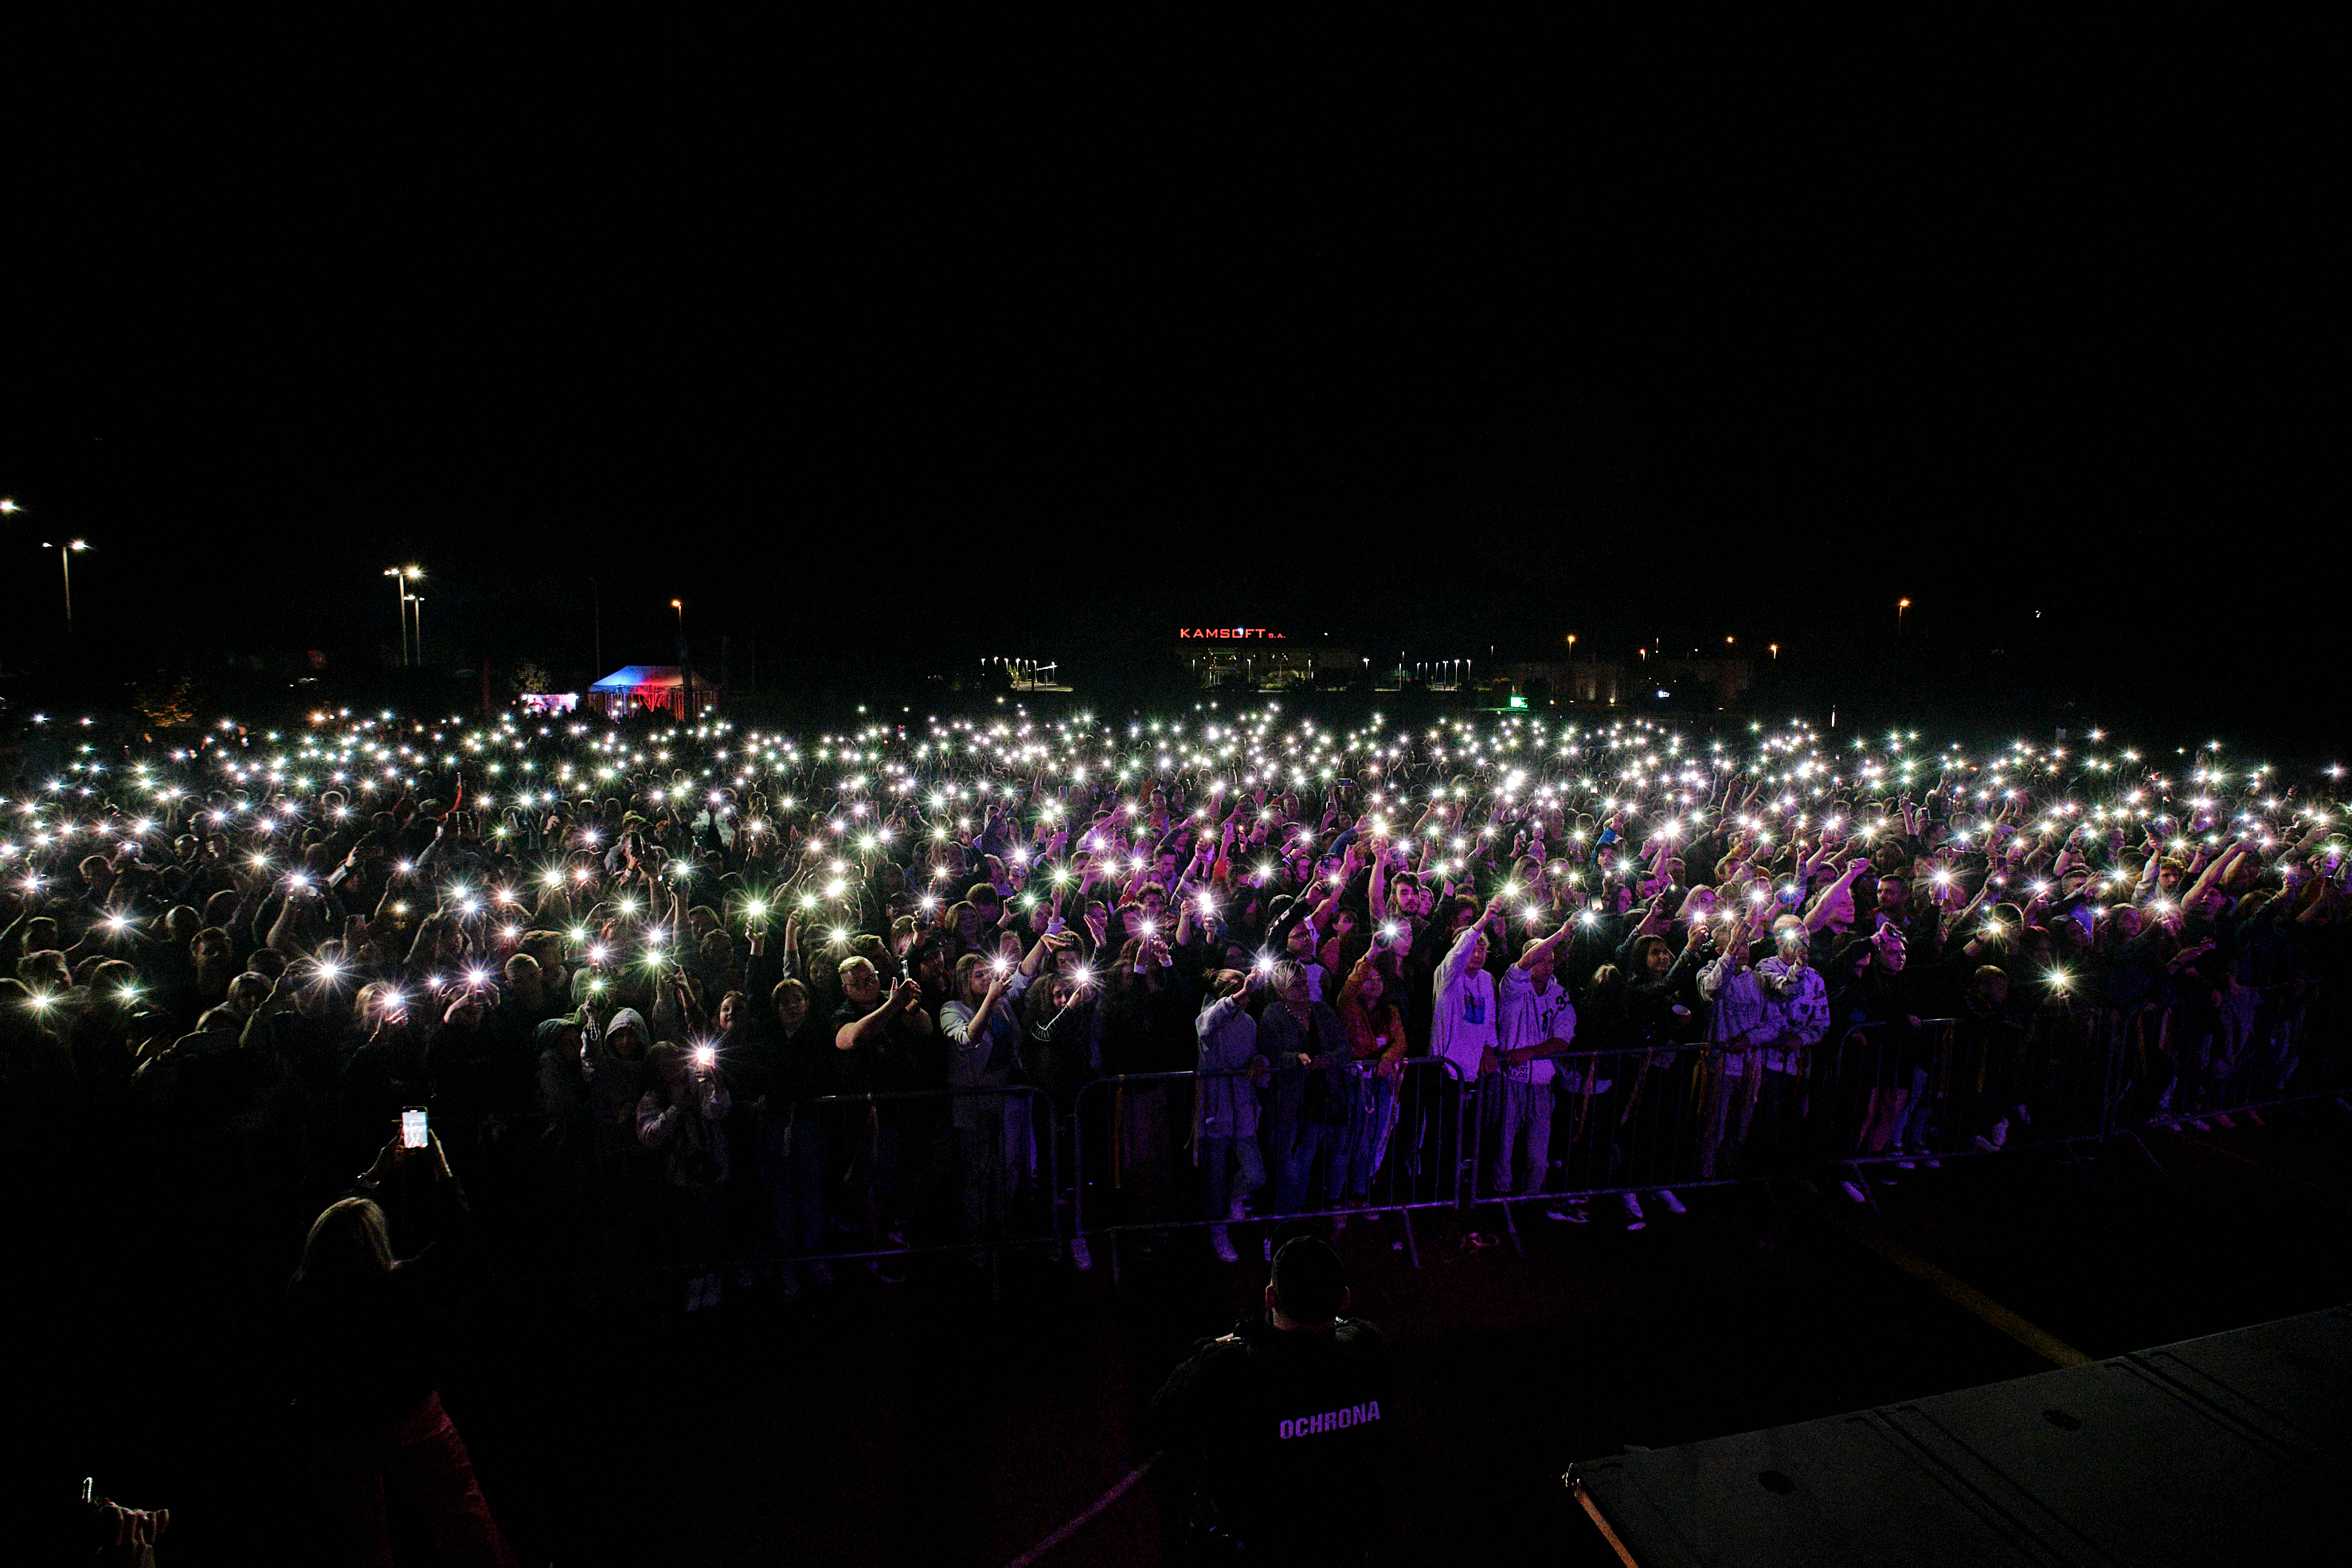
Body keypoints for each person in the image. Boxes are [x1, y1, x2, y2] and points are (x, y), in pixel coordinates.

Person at [287, 1129, 516, 1566]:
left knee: (359, 1542)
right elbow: (458, 1237)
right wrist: (440, 1168)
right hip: (409, 1417)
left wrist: (373, 1174)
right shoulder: (399, 1286)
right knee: (463, 1517)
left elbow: (334, 1224)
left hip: (334, 1429)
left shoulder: (303, 1293)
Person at [1149, 1233, 1392, 1564]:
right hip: (1342, 1543)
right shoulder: (1368, 1348)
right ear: (1344, 1299)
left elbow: (1160, 1422)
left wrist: (1211, 1349)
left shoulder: (1229, 1368)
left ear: (1270, 1298)